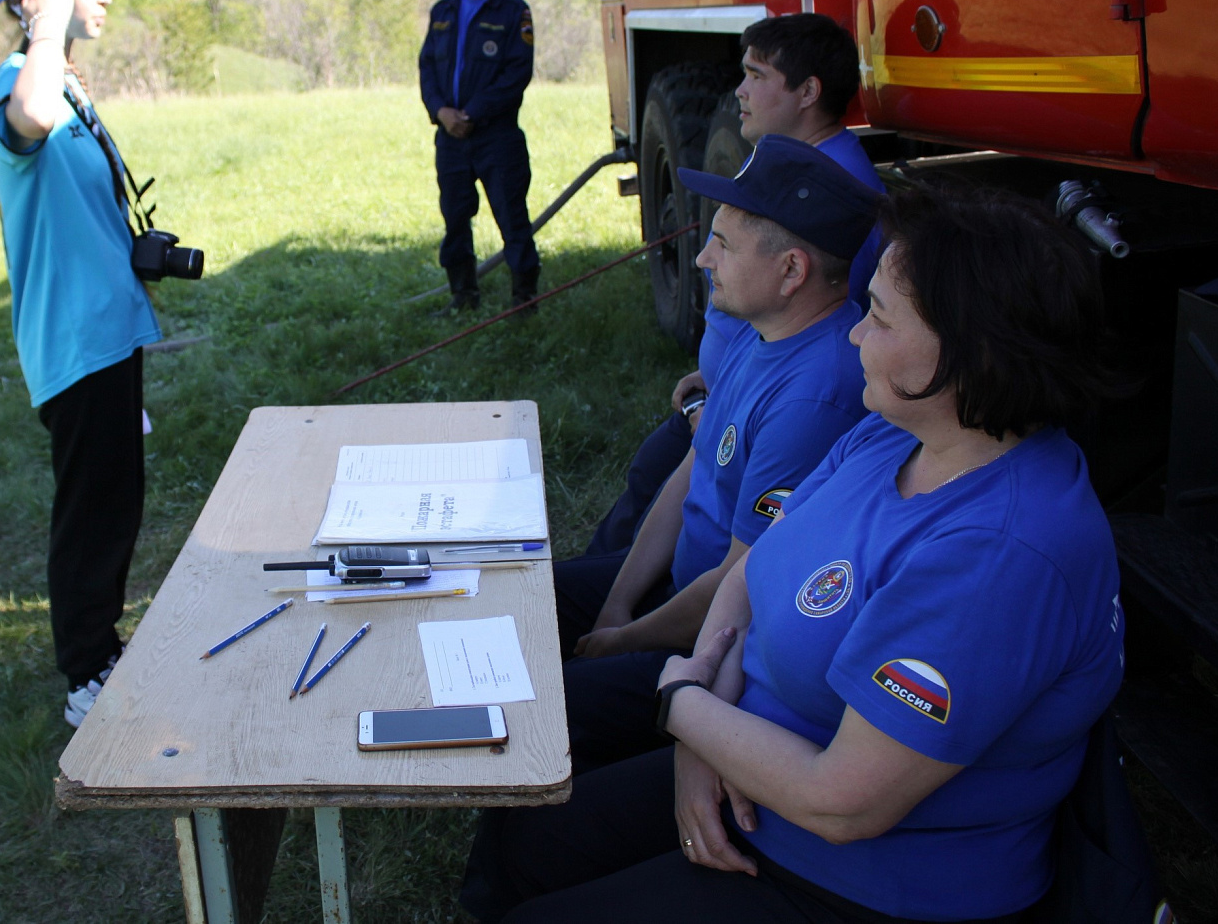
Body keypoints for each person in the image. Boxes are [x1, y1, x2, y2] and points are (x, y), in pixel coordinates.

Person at [463, 183, 1125, 923]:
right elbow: (758, 568)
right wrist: (699, 738)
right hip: (751, 765)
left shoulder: (1003, 553)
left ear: (969, 352)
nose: (851, 335)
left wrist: (682, 703)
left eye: (877, 315)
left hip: (861, 878)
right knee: (527, 832)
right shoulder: (898, 430)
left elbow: (843, 802)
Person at [552, 136, 878, 774]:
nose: (701, 258)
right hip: (677, 586)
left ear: (791, 271)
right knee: (527, 600)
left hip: (712, 639)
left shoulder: (817, 395)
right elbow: (694, 468)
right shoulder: (767, 333)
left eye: (722, 245)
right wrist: (618, 601)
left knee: (549, 704)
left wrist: (626, 639)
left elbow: (739, 582)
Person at [578, 13, 882, 565]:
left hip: (744, 421)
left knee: (650, 518)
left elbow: (814, 321)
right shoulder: (785, 157)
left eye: (756, 75)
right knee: (645, 486)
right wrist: (718, 373)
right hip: (729, 397)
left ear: (809, 91)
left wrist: (723, 398)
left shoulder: (838, 193)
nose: (738, 90)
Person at [0, 0, 161, 727]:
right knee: (91, 510)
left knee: (117, 498)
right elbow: (31, 121)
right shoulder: (22, 87)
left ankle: (105, 648)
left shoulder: (65, 80)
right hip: (72, 343)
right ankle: (87, 674)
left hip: (108, 330)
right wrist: (44, 28)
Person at [419, 0, 538, 312]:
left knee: (511, 217)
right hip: (450, 137)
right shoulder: (444, 11)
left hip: (495, 137)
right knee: (454, 218)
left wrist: (471, 114)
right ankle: (463, 296)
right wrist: (441, 112)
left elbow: (516, 74)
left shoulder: (513, 12)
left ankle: (524, 300)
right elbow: (427, 70)